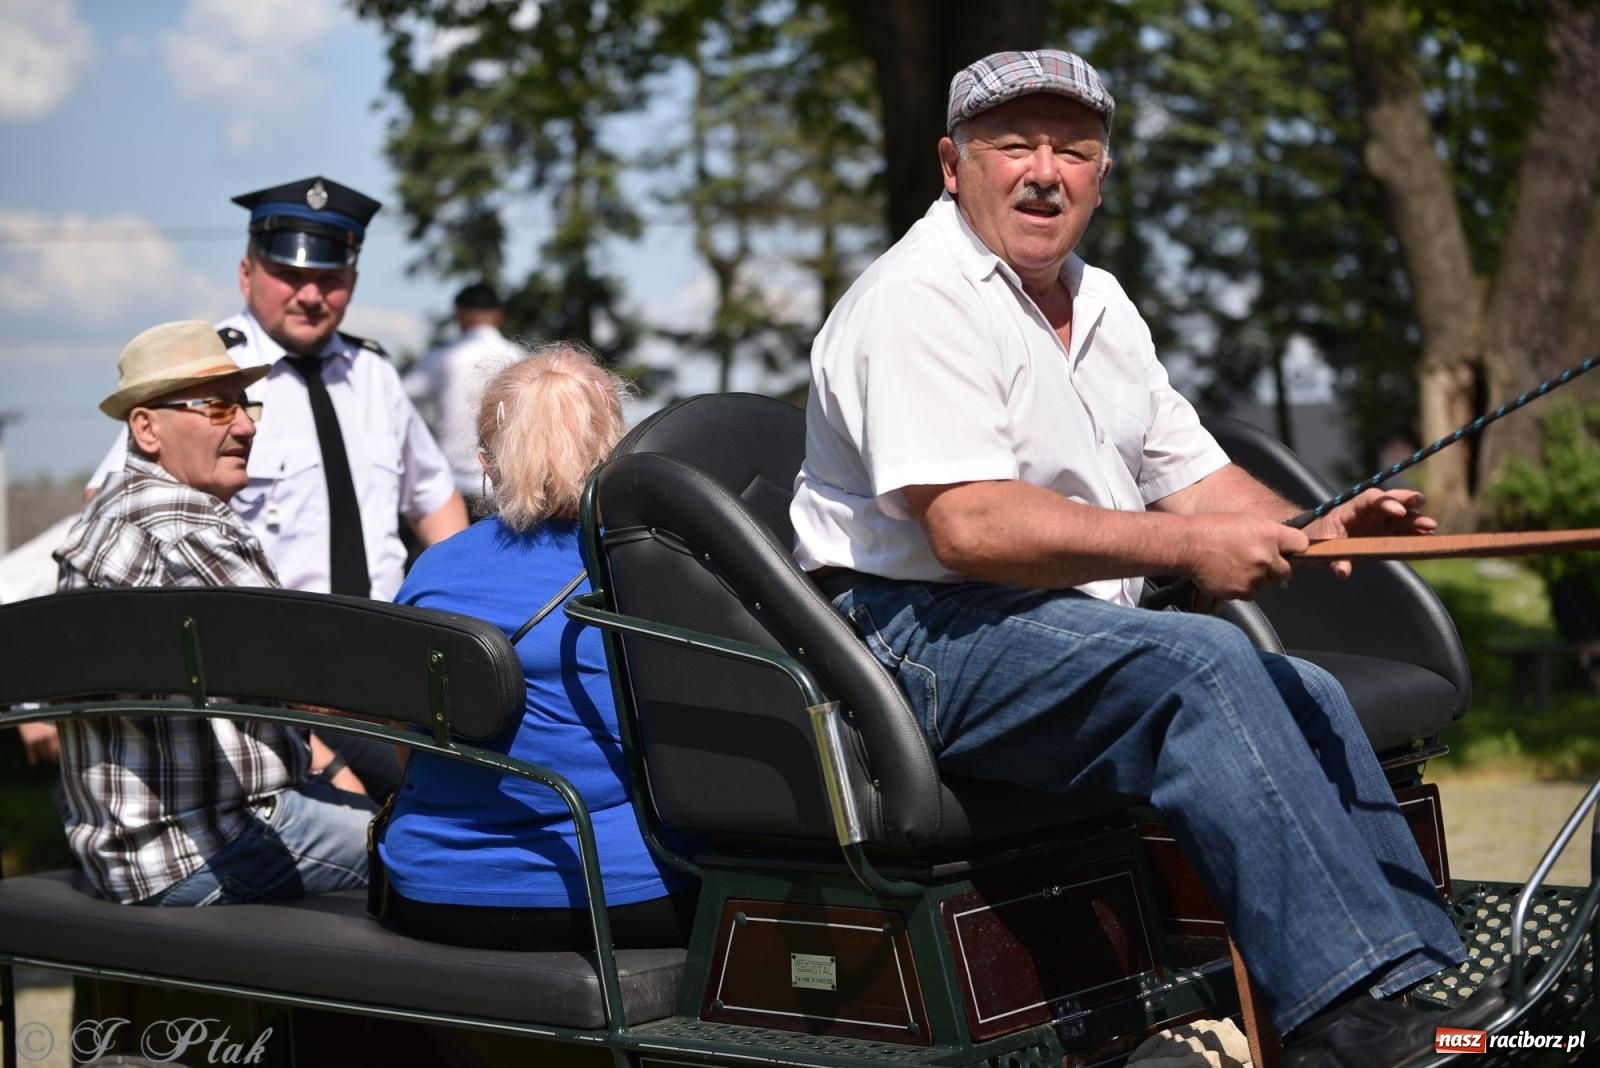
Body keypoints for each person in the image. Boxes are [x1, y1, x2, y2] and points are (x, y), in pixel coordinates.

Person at [789, 50, 1497, 1066]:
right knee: (1202, 668)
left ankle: (1420, 1000)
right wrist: (1194, 549)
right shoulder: (917, 298)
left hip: (1053, 623)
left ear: (1100, 175)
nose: (1044, 171)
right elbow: (970, 528)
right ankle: (1342, 1032)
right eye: (1014, 146)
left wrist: (1319, 523)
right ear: (954, 165)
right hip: (917, 637)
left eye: (1072, 150)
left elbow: (1197, 481)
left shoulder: (1102, 302)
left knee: (1302, 688)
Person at [371, 342, 695, 950]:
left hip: (430, 893)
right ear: (615, 448)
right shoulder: (651, 569)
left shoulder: (432, 570)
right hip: (622, 897)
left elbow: (405, 742)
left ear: (488, 461)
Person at [54, 320, 375, 906]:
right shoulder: (182, 524)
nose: (248, 425)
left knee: (370, 803)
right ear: (146, 428)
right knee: (424, 853)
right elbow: (311, 671)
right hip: (204, 846)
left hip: (121, 848)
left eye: (243, 404)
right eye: (218, 408)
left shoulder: (104, 520)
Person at [85, 176, 468, 601]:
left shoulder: (374, 373)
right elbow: (111, 503)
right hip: (260, 649)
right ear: (247, 275)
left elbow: (434, 498)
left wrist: (452, 600)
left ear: (352, 283)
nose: (310, 294)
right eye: (290, 274)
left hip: (388, 642)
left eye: (329, 279)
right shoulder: (205, 370)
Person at [404, 281, 522, 500]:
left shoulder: (441, 358)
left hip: (451, 483)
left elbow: (399, 399)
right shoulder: (519, 358)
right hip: (505, 484)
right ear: (500, 314)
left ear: (458, 314)